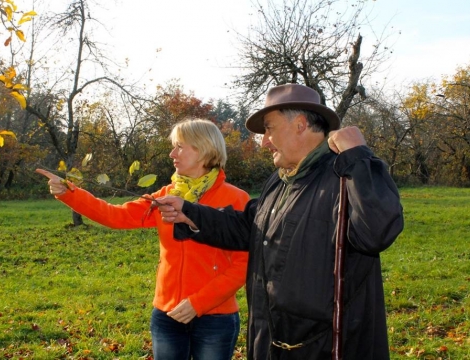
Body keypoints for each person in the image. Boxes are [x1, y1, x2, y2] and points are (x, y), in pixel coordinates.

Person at [154, 84, 404, 360]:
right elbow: (250, 226)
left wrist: (358, 156)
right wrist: (188, 212)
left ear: (300, 125)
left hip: (324, 347)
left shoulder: (343, 178)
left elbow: (378, 231)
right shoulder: (282, 180)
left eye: (269, 129)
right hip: (272, 341)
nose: (263, 142)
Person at [36, 119, 250, 360]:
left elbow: (243, 265)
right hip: (167, 315)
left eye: (179, 146)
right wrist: (70, 193)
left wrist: (198, 303)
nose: (172, 154)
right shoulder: (164, 197)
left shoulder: (236, 199)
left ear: (203, 149)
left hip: (215, 317)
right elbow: (116, 216)